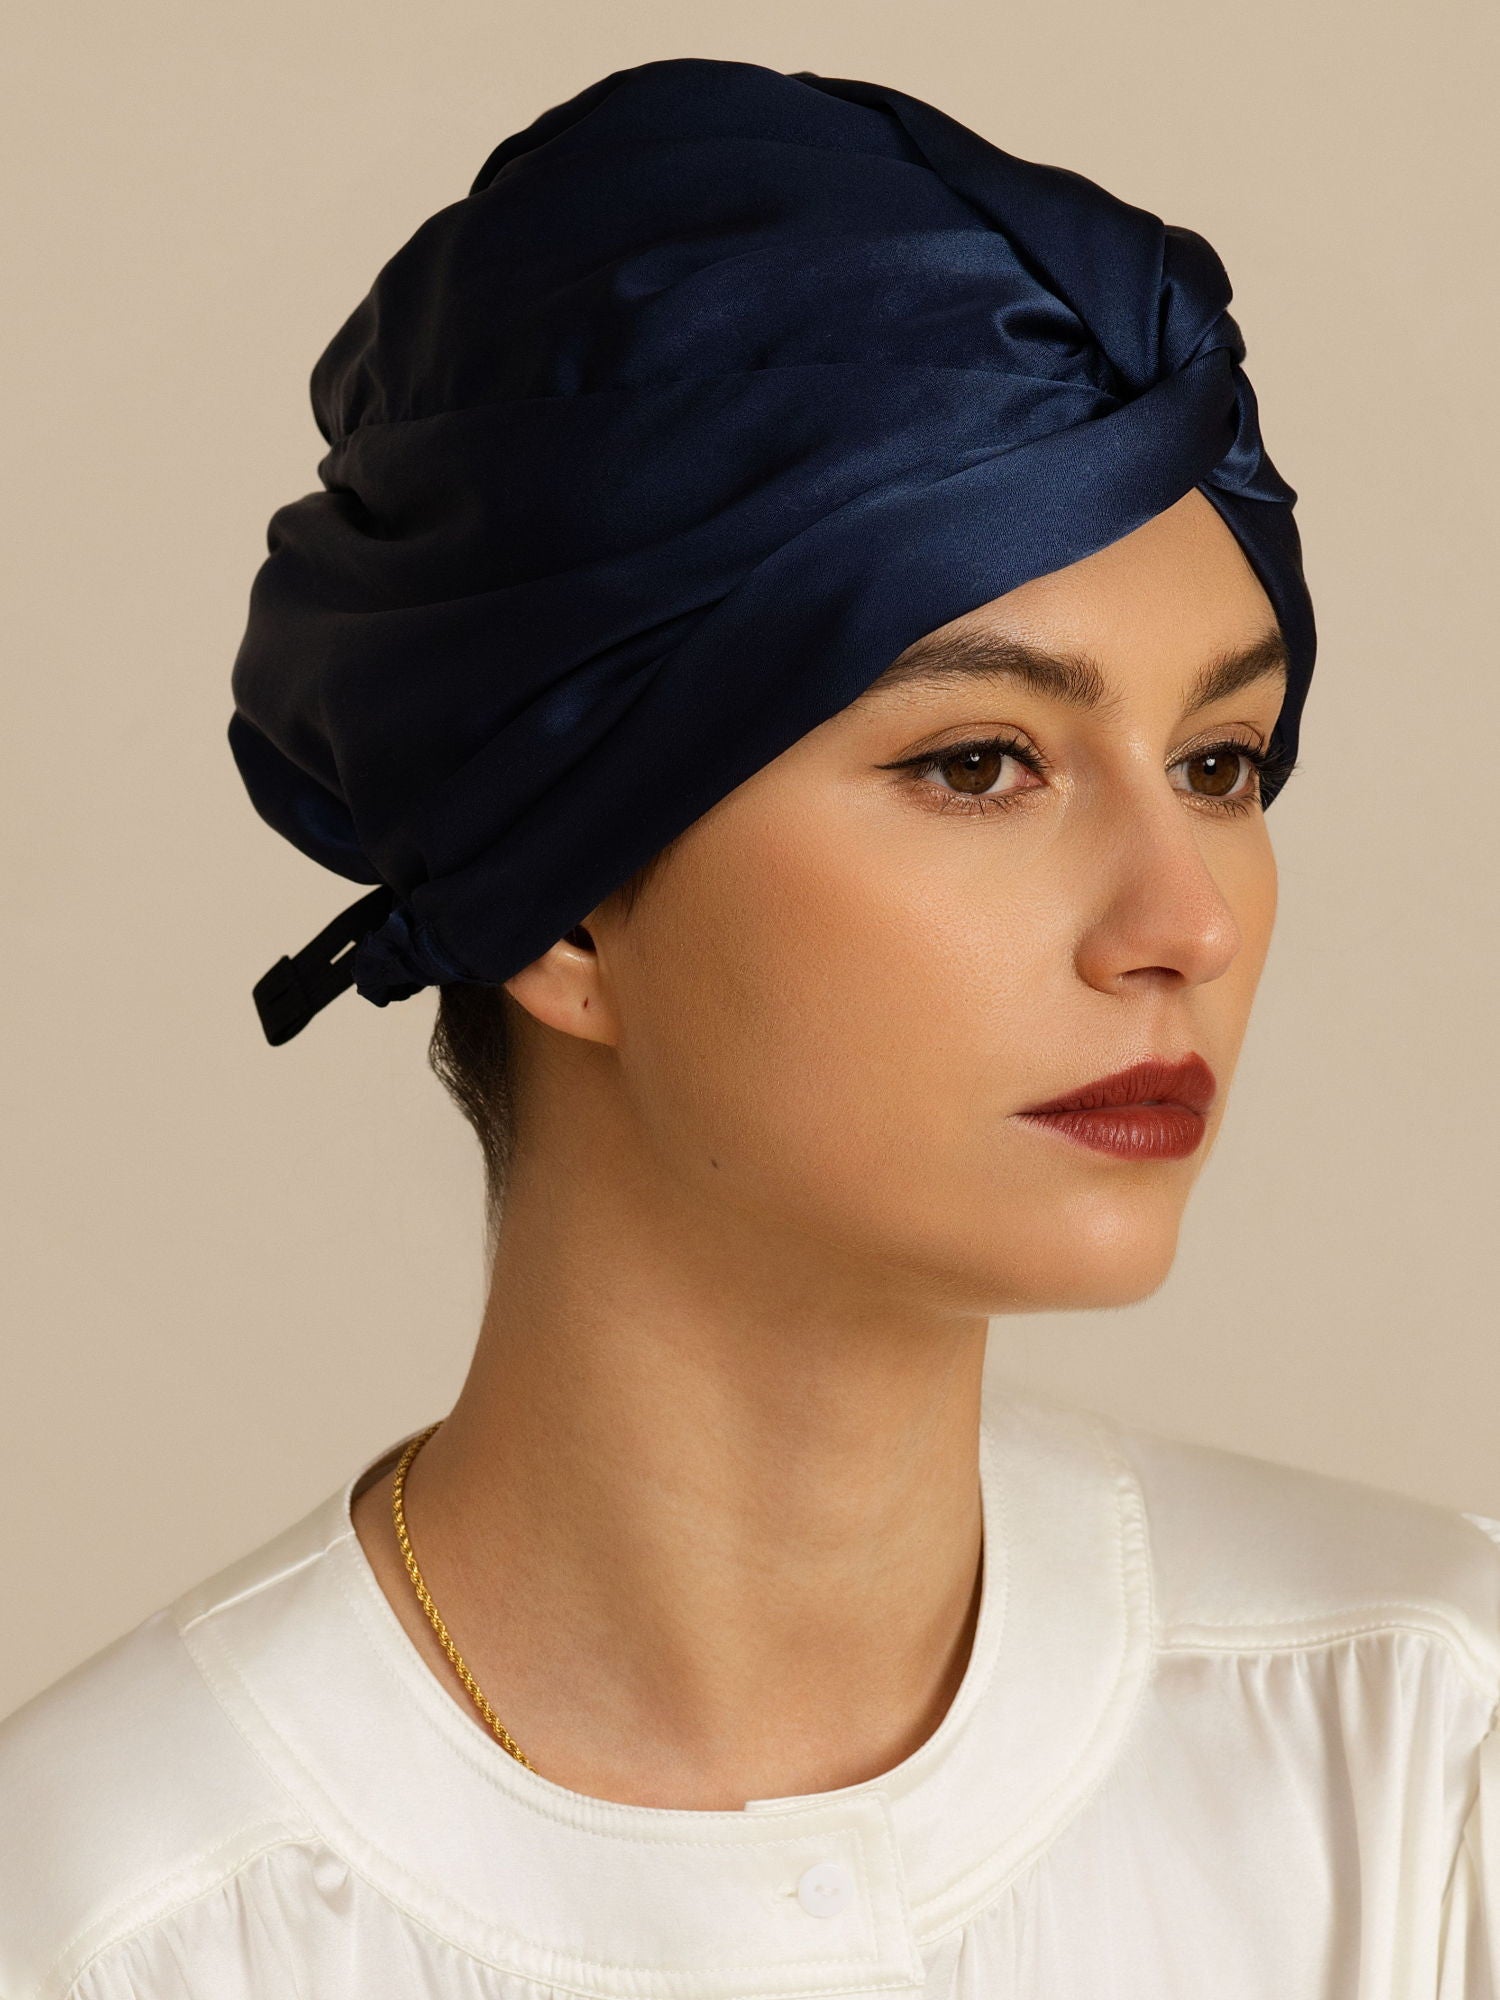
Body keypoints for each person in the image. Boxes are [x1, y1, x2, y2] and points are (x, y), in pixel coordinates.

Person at [4, 54, 1499, 1999]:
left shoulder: (1425, 1756)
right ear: (566, 900)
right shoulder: (109, 1928)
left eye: (1220, 761)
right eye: (980, 762)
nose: (1188, 922)